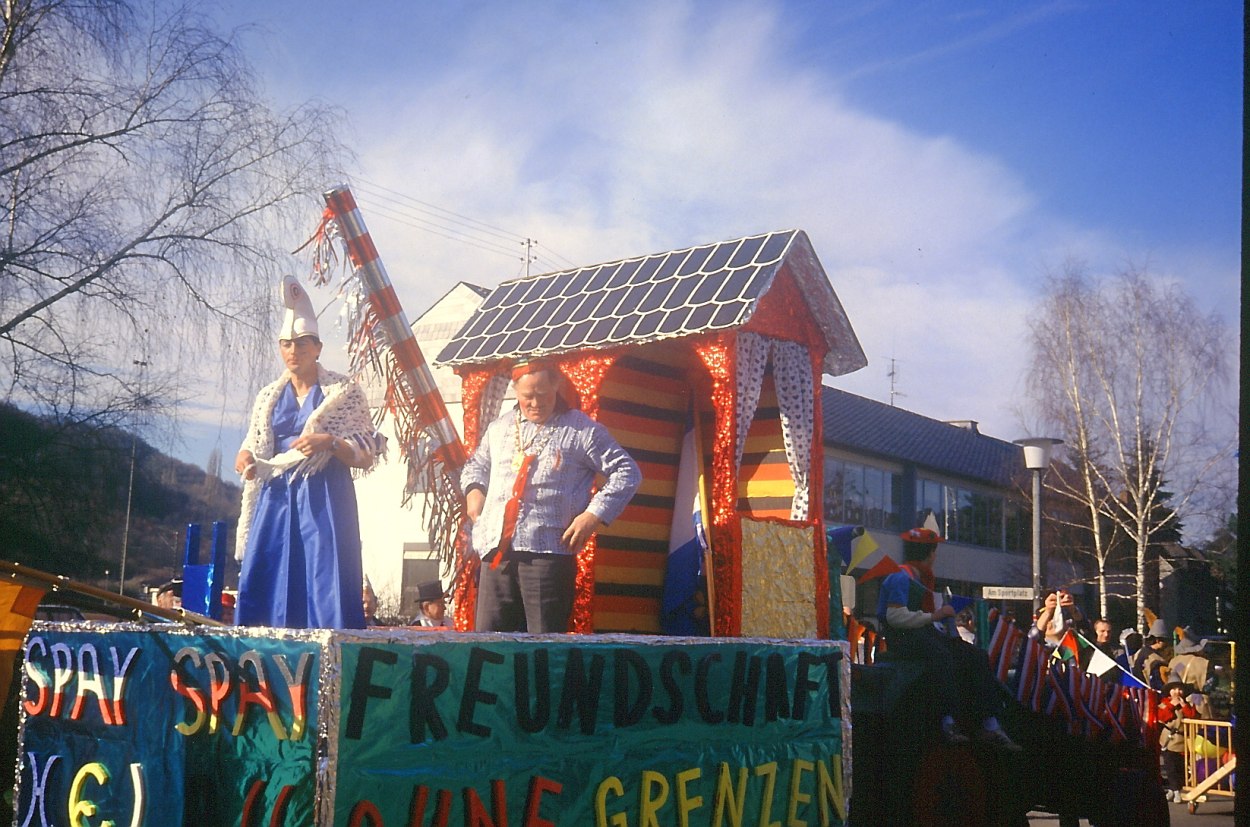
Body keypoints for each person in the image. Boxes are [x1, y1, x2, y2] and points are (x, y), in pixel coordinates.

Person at [234, 276, 382, 630]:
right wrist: (245, 458)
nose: (293, 351)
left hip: (324, 496)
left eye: (301, 344)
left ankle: (330, 651)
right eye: (286, 344)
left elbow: (366, 451)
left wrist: (329, 442)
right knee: (269, 569)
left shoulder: (344, 393)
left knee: (324, 574)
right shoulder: (268, 396)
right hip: (275, 499)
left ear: (317, 347)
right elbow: (255, 443)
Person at [463, 359, 641, 633]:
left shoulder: (581, 430)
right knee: (491, 642)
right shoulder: (499, 429)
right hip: (496, 552)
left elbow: (627, 471)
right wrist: (474, 490)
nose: (535, 403)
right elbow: (476, 465)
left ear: (557, 385)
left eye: (542, 394)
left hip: (547, 553)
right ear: (515, 390)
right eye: (527, 397)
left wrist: (592, 516)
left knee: (542, 644)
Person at [876, 527, 1021, 751]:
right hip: (904, 638)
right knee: (941, 656)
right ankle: (947, 720)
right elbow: (894, 616)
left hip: (924, 633)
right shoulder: (901, 576)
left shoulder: (920, 577)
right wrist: (936, 615)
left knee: (974, 655)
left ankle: (989, 724)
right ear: (930, 553)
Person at [1157, 680, 1198, 803]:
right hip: (1169, 740)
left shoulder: (1188, 704)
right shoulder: (1163, 704)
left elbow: (1193, 716)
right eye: (1174, 689)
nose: (1177, 692)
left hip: (1183, 741)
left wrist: (1184, 706)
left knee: (1181, 767)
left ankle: (1172, 789)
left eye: (1180, 689)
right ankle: (1175, 791)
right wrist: (1171, 705)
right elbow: (1163, 717)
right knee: (1170, 767)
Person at [1132, 618, 1173, 690]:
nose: (1167, 644)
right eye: (1166, 640)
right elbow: (1159, 684)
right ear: (1158, 640)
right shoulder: (1156, 660)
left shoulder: (1139, 652)